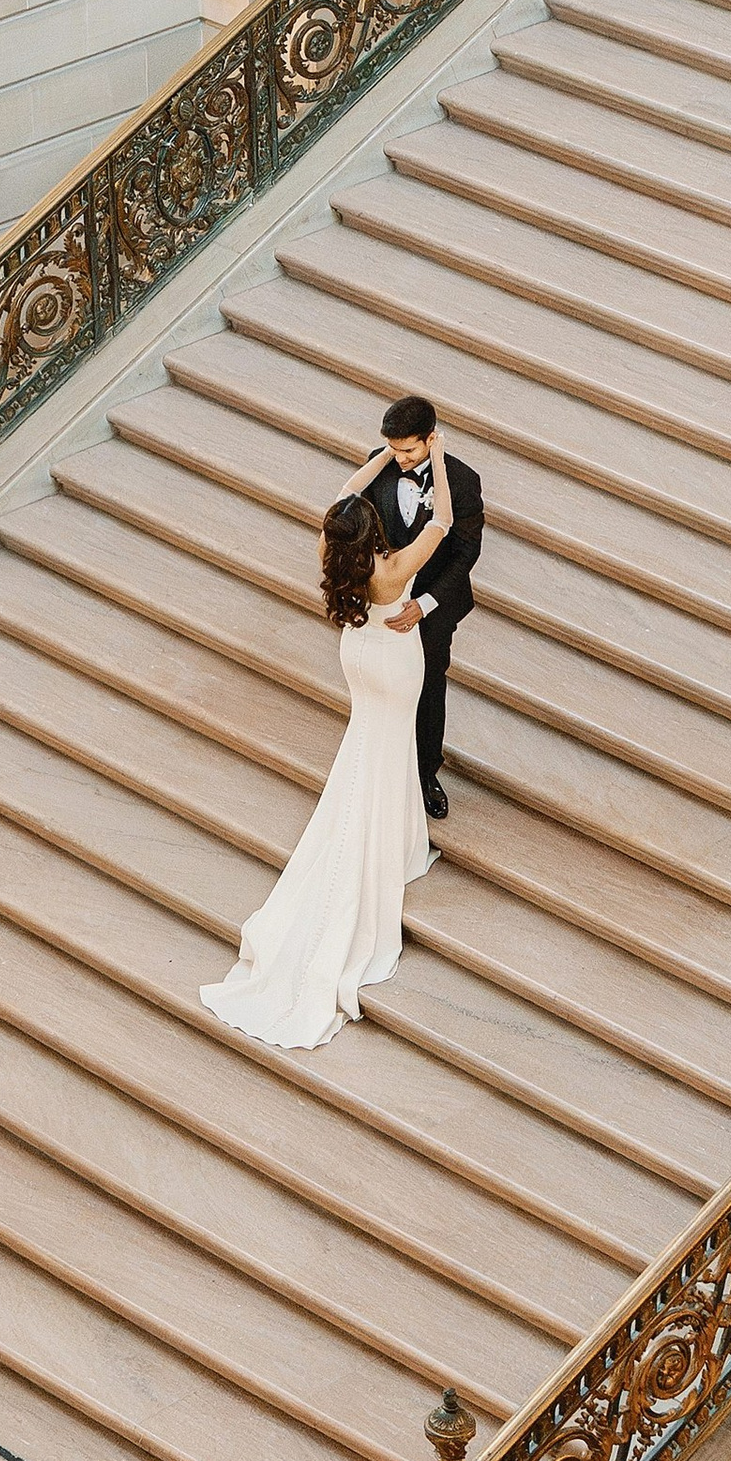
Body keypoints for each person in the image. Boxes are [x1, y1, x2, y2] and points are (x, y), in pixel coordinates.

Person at [199, 425, 458, 1056]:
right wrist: (439, 455)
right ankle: (395, 841)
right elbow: (445, 520)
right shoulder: (394, 570)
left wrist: (369, 473)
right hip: (396, 663)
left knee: (367, 742)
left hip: (357, 655)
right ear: (372, 535)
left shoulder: (331, 553)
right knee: (390, 744)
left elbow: (345, 492)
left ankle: (387, 833)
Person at [358, 394, 483, 821]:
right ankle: (381, 767)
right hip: (383, 605)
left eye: (408, 450)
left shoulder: (462, 481)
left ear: (432, 439)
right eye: (393, 449)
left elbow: (466, 553)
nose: (400, 459)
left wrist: (425, 604)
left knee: (429, 690)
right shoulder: (380, 463)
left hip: (432, 607)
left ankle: (426, 773)